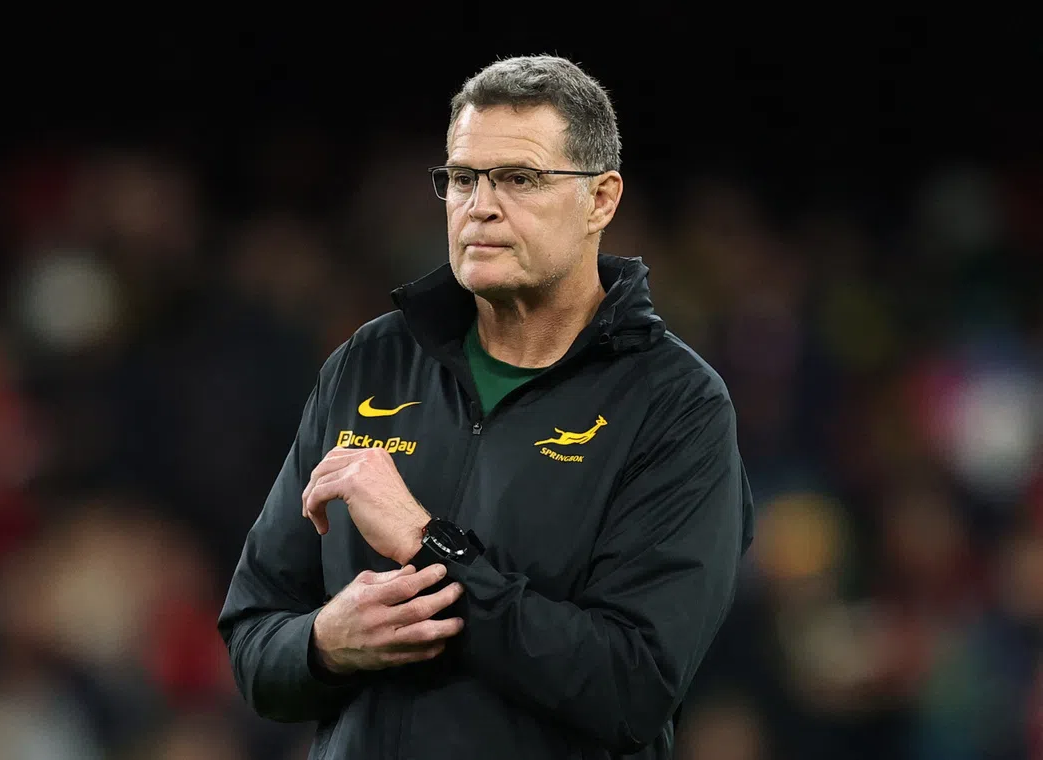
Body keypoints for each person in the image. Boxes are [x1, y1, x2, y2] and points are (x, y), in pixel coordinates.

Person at [218, 55, 754, 760]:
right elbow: (254, 635)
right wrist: (324, 644)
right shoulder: (370, 363)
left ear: (601, 199)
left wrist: (429, 545)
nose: (481, 205)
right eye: (463, 178)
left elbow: (632, 686)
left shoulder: (675, 404)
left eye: (520, 179)